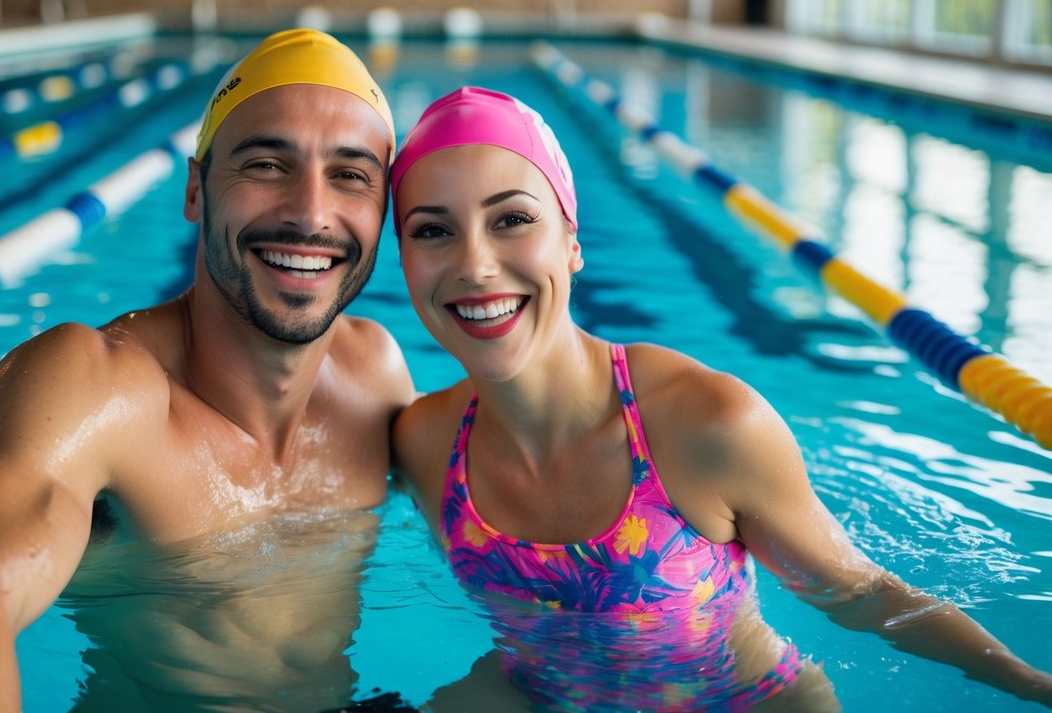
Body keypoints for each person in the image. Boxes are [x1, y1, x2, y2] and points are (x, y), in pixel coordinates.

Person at [389, 86, 1052, 711]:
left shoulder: (705, 424)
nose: (474, 265)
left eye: (511, 219)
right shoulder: (423, 441)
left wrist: (1028, 685)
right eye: (431, 230)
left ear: (570, 242)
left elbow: (861, 592)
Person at [0, 29, 416, 712]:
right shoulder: (95, 390)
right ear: (194, 190)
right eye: (266, 165)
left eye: (350, 175)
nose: (310, 212)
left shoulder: (377, 376)